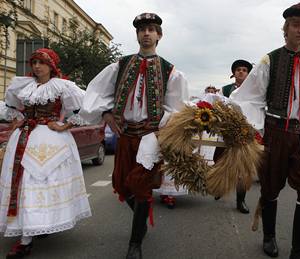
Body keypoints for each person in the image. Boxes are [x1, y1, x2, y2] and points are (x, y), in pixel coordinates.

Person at [229, 3, 300, 258]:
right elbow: (249, 98)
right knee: (270, 186)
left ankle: (299, 251)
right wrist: (257, 129)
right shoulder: (269, 60)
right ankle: (269, 236)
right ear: (286, 28)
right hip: (274, 132)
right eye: (296, 25)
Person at [78, 13, 189, 259]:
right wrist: (106, 114)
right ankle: (141, 217)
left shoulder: (170, 71)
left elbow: (176, 107)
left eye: (151, 29)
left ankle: (135, 243)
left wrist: (163, 131)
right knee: (121, 184)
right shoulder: (120, 65)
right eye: (142, 30)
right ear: (137, 34)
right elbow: (97, 91)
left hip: (150, 137)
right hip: (126, 134)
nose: (146, 33)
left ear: (159, 35)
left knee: (141, 187)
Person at [0, 48, 91, 258]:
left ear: (51, 66)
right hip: (23, 138)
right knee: (24, 185)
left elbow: (82, 109)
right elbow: (11, 105)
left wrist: (65, 125)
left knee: (40, 184)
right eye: (34, 62)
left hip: (50, 141)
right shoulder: (23, 85)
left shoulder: (62, 86)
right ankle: (26, 236)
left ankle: (33, 231)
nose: (36, 66)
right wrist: (18, 118)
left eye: (41, 62)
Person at [214, 59, 253, 214]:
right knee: (219, 162)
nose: (241, 72)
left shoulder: (254, 90)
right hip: (226, 132)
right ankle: (219, 187)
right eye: (238, 69)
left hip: (246, 133)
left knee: (243, 169)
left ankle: (240, 201)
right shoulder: (225, 90)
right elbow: (219, 107)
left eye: (244, 69)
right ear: (233, 73)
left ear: (248, 74)